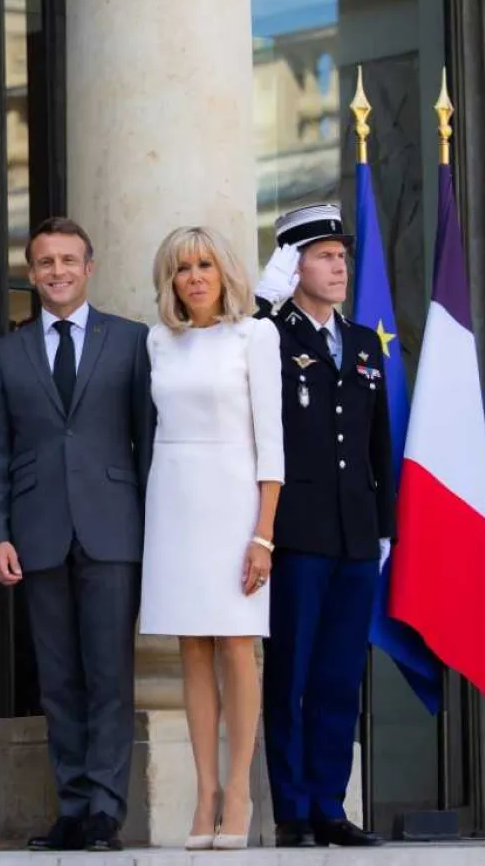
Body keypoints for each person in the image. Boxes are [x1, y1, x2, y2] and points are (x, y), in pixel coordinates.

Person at [0, 216, 153, 853]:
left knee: (109, 674)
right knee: (57, 679)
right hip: (37, 532)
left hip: (113, 528)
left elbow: (147, 442)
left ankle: (105, 811)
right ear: (32, 271)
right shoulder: (6, 352)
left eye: (68, 261)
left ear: (89, 267)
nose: (57, 272)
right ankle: (72, 806)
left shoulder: (132, 341)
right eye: (45, 262)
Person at [137, 226, 282, 850]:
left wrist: (264, 534)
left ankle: (241, 790)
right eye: (182, 268)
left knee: (237, 643)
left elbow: (272, 440)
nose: (194, 276)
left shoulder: (257, 335)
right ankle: (204, 796)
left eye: (204, 264)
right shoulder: (157, 342)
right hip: (173, 496)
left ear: (224, 272)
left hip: (235, 498)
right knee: (191, 645)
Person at [252, 203, 391, 848]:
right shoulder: (269, 335)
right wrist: (261, 303)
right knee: (292, 674)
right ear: (294, 264)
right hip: (297, 529)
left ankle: (331, 805)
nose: (339, 267)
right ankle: (293, 810)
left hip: (354, 532)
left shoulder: (363, 342)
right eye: (324, 256)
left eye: (342, 257)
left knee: (339, 676)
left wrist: (383, 526)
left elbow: (376, 443)